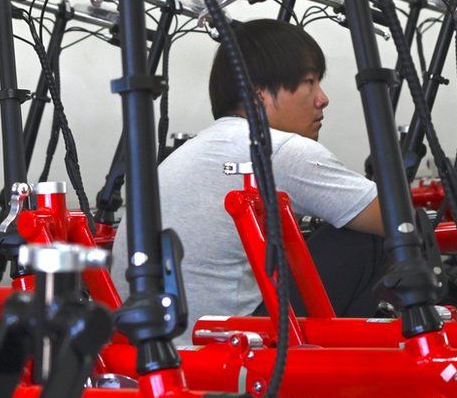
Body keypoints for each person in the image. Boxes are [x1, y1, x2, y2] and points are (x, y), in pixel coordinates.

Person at [111, 18, 386, 343]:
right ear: (260, 97)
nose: (322, 98)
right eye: (310, 83)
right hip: (225, 350)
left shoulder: (198, 148)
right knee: (386, 237)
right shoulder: (278, 149)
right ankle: (368, 375)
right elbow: (395, 220)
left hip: (152, 348)